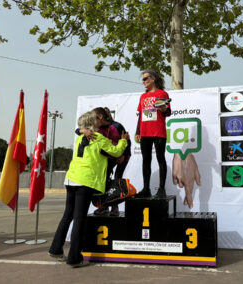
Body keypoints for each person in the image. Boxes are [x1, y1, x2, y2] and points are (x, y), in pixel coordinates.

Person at [49, 110, 129, 268]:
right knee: (79, 219)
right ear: (92, 124)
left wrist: (81, 130)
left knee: (68, 216)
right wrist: (123, 141)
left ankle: (55, 249)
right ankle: (74, 257)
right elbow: (116, 151)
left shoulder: (79, 137)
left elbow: (81, 132)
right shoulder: (97, 137)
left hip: (71, 179)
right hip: (85, 181)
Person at [76, 107, 131, 216]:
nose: (92, 121)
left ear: (100, 117)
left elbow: (126, 140)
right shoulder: (96, 129)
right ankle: (103, 206)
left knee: (117, 178)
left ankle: (115, 207)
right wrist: (83, 130)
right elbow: (78, 131)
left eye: (93, 118)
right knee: (104, 180)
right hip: (108, 156)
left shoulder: (116, 126)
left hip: (121, 156)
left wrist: (123, 155)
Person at [135, 69, 171, 198]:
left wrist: (163, 108)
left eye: (146, 79)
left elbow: (168, 113)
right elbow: (140, 115)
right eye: (143, 80)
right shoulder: (143, 96)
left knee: (160, 158)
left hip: (158, 131)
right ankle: (146, 189)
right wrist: (137, 131)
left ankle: (161, 189)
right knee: (146, 160)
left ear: (153, 78)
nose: (143, 82)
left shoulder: (162, 93)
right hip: (145, 132)